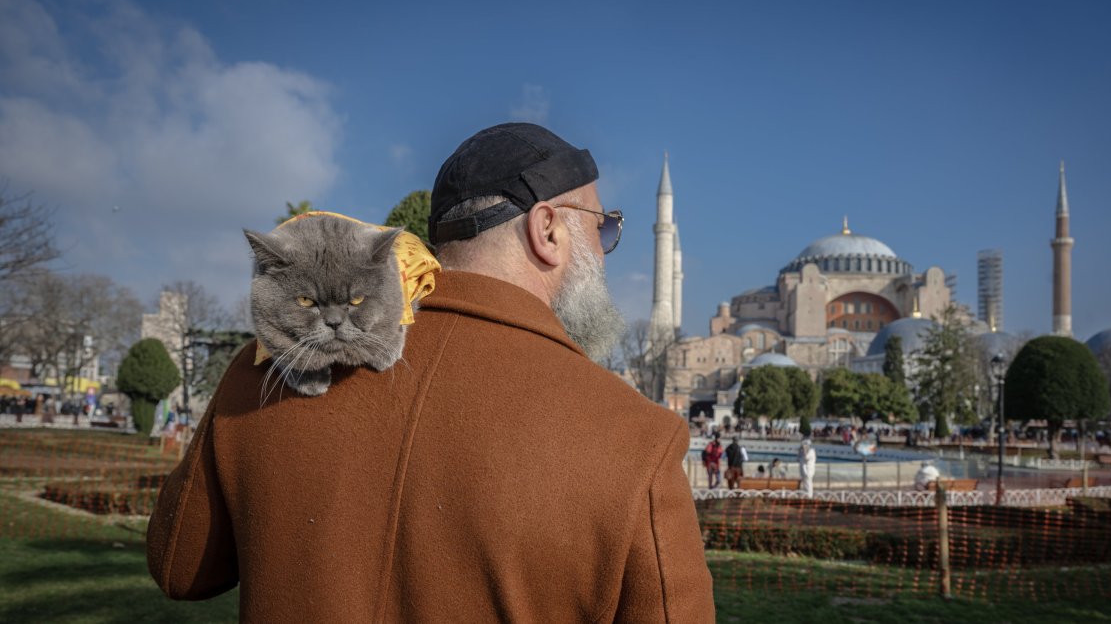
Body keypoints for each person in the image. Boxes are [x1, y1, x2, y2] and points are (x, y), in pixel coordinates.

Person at [146, 123, 715, 622]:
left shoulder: (266, 374)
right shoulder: (636, 438)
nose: (608, 246)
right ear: (548, 231)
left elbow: (180, 568)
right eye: (603, 229)